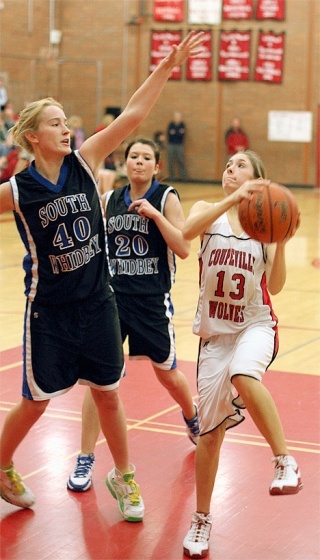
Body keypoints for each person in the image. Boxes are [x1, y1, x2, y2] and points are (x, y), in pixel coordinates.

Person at [0, 31, 205, 520]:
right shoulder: (17, 188)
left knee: (109, 393)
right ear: (33, 136)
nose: (66, 129)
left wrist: (166, 67)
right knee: (36, 403)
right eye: (55, 124)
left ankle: (125, 476)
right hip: (47, 309)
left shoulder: (85, 164)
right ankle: (3, 463)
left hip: (97, 301)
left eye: (66, 122)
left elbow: (133, 115)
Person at [181, 150, 302, 558]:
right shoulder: (208, 211)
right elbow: (184, 233)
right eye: (228, 164)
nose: (229, 169)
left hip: (255, 325)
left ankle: (284, 460)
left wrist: (281, 244)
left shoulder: (264, 226)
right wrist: (232, 199)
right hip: (215, 337)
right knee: (210, 437)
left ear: (258, 179)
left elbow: (278, 285)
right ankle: (201, 520)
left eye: (240, 166)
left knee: (244, 375)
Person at [67, 137, 200, 493]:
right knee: (99, 382)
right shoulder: (110, 199)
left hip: (152, 301)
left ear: (157, 166)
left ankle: (191, 415)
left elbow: (184, 248)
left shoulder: (166, 197)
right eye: (133, 157)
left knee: (167, 375)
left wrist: (156, 216)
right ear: (125, 163)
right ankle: (85, 457)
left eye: (146, 158)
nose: (138, 162)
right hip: (111, 300)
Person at [166, 111, 188, 181]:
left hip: (179, 145)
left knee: (181, 160)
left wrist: (175, 133)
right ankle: (172, 177)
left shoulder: (182, 125)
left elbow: (181, 135)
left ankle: (184, 177)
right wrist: (178, 133)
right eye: (176, 117)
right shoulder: (171, 124)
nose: (177, 118)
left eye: (178, 117)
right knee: (171, 161)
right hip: (171, 144)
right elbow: (169, 134)